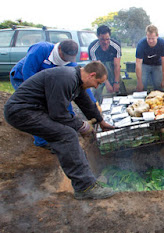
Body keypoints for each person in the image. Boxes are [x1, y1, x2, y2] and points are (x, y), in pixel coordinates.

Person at [4, 61, 116, 200]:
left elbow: (85, 103)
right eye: (98, 82)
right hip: (21, 112)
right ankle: (84, 187)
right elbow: (58, 115)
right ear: (91, 75)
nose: (97, 86)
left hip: (35, 110)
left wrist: (101, 121)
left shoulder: (76, 79)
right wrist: (81, 126)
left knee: (66, 133)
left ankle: (87, 180)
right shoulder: (66, 78)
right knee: (67, 135)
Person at [9, 39, 97, 149]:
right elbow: (27, 72)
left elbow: (82, 84)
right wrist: (44, 97)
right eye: (65, 57)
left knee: (65, 103)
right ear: (59, 49)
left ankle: (69, 132)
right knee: (39, 108)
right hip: (22, 78)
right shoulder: (41, 49)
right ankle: (42, 141)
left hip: (48, 83)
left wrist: (94, 102)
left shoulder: (69, 63)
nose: (66, 60)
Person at [89, 25, 124, 102]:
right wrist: (107, 84)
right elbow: (98, 68)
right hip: (99, 70)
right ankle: (97, 108)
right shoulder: (93, 48)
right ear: (98, 37)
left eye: (107, 39)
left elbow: (117, 66)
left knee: (121, 90)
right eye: (102, 39)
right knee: (96, 91)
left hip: (112, 68)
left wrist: (116, 82)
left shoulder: (116, 46)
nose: (105, 42)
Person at [135, 24, 164, 91]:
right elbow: (138, 64)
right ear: (146, 36)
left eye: (152, 38)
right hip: (145, 64)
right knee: (142, 84)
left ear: (157, 36)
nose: (150, 41)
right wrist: (139, 82)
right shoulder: (141, 44)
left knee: (158, 85)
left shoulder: (163, 43)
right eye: (148, 38)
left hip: (157, 64)